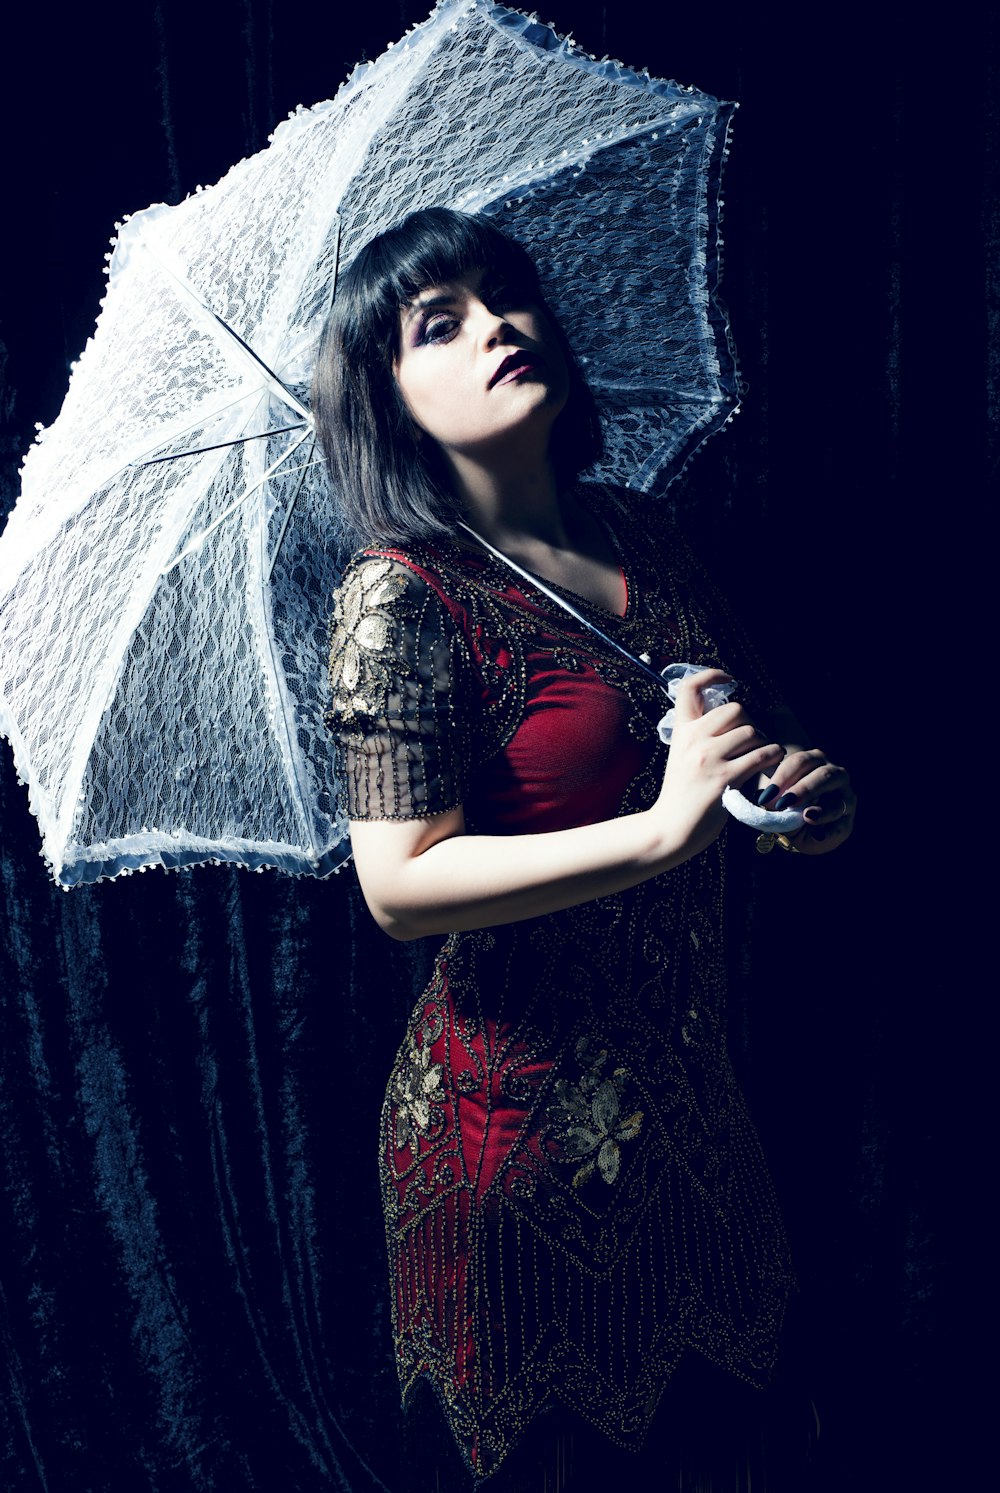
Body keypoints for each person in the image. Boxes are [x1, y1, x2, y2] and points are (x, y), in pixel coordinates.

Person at [313, 207, 856, 1490]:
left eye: (505, 294)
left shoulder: (645, 535)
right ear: (389, 404)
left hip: (692, 1104)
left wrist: (805, 796)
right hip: (508, 1138)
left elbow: (752, 733)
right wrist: (661, 827)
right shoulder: (399, 591)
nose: (496, 323)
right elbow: (401, 885)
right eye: (437, 324)